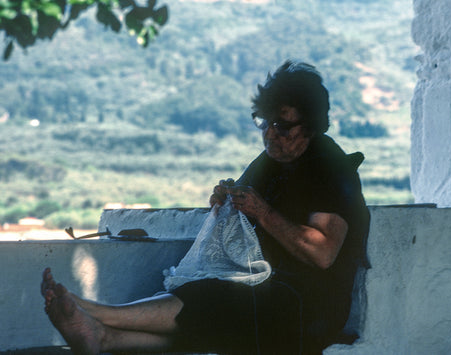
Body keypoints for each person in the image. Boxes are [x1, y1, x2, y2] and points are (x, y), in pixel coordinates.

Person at [41, 60, 370, 355]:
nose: (271, 134)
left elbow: (323, 252)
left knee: (216, 299)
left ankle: (98, 313)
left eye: (283, 126)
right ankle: (103, 337)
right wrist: (227, 200)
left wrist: (263, 213)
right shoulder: (272, 160)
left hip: (308, 308)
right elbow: (246, 201)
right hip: (267, 292)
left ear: (311, 127)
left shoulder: (328, 168)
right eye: (265, 122)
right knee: (210, 306)